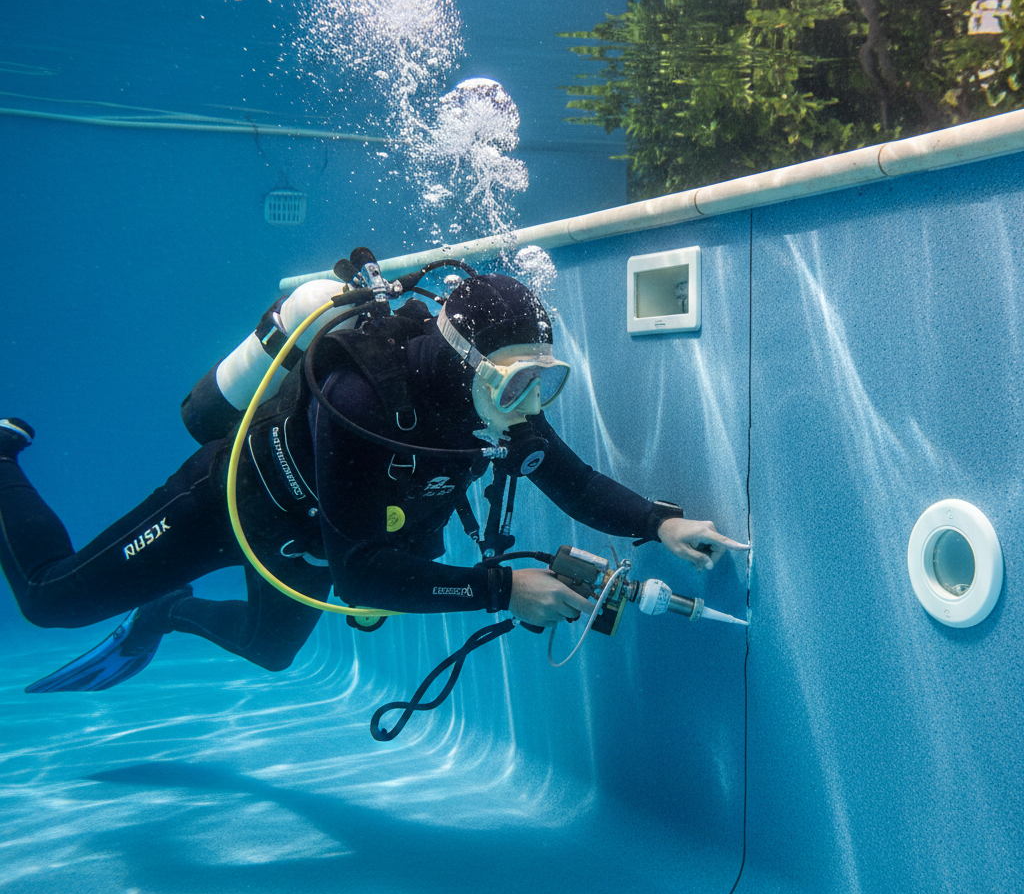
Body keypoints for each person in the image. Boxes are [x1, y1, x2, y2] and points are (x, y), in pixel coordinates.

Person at [0, 272, 748, 692]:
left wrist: (658, 523)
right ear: (464, 357)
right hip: (226, 507)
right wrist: (502, 590)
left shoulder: (497, 404)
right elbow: (360, 575)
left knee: (269, 650)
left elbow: (572, 481)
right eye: (516, 381)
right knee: (50, 600)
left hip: (305, 546)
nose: (527, 406)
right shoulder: (363, 395)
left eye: (544, 382)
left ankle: (166, 613)